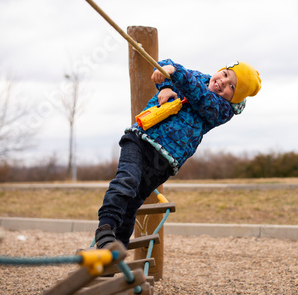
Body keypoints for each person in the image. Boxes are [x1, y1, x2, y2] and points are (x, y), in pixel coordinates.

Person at [95, 58, 261, 249]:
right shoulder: (197, 76)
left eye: (231, 86)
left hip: (164, 159)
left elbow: (197, 94)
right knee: (126, 181)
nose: (223, 82)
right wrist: (165, 85)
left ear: (234, 98)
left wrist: (174, 72)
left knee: (132, 203)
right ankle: (105, 229)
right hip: (139, 138)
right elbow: (165, 64)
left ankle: (116, 251)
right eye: (225, 74)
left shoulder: (221, 109)